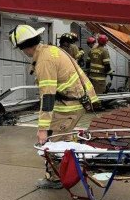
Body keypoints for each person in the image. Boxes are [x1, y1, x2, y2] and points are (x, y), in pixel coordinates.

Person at [9, 24, 99, 188]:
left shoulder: (44, 61)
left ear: (24, 47)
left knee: (52, 142)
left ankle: (56, 178)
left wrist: (43, 128)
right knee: (64, 139)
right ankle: (70, 170)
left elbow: (48, 96)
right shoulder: (50, 50)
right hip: (78, 100)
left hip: (70, 105)